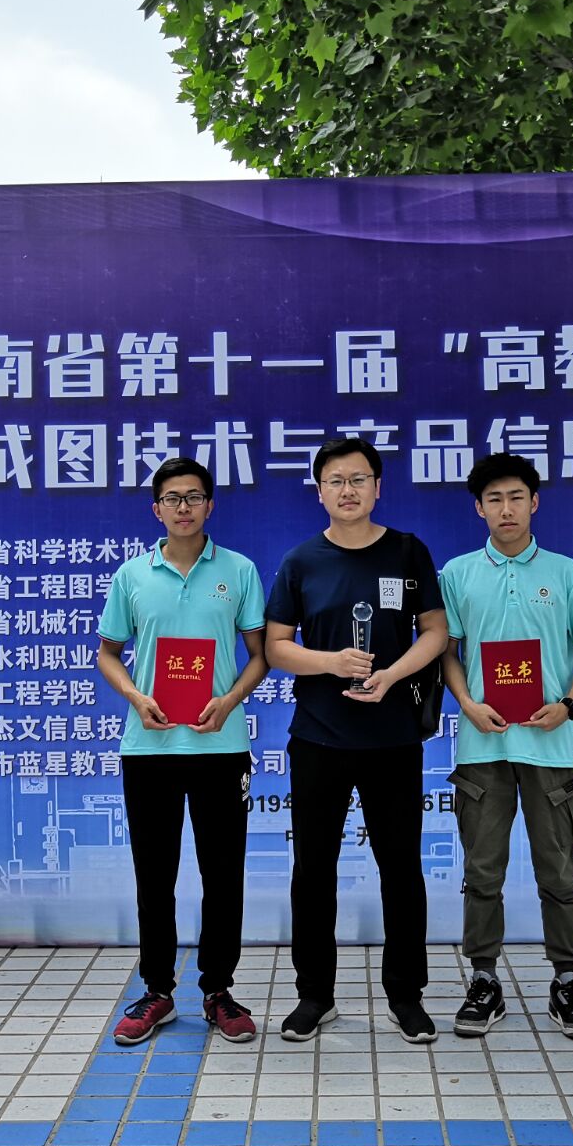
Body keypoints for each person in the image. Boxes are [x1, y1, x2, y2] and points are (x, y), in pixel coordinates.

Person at [264, 437, 448, 1044]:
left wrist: (391, 675)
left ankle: (406, 995)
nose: (348, 490)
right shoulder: (301, 562)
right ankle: (314, 995)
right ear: (320, 491)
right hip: (319, 738)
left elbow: (436, 633)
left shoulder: (408, 551)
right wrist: (330, 663)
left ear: (377, 487)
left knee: (402, 868)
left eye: (359, 479)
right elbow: (276, 647)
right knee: (313, 869)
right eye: (336, 481)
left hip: (393, 739)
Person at [438, 455, 573, 1039]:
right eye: (494, 499)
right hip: (483, 744)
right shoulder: (458, 573)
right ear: (479, 508)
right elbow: (447, 651)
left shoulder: (564, 572)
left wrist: (569, 704)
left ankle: (567, 980)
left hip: (548, 744)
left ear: (534, 503)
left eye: (516, 497)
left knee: (558, 870)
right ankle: (483, 979)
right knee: (482, 870)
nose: (505, 509)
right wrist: (467, 703)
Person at [98, 459, 268, 1045]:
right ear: (157, 509)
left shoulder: (239, 571)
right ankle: (157, 990)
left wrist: (229, 700)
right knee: (155, 874)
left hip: (220, 743)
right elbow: (108, 653)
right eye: (172, 498)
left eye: (194, 496)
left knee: (223, 874)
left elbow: (260, 654)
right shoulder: (132, 575)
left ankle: (218, 990)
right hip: (150, 745)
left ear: (210, 505)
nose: (184, 507)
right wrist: (135, 696)